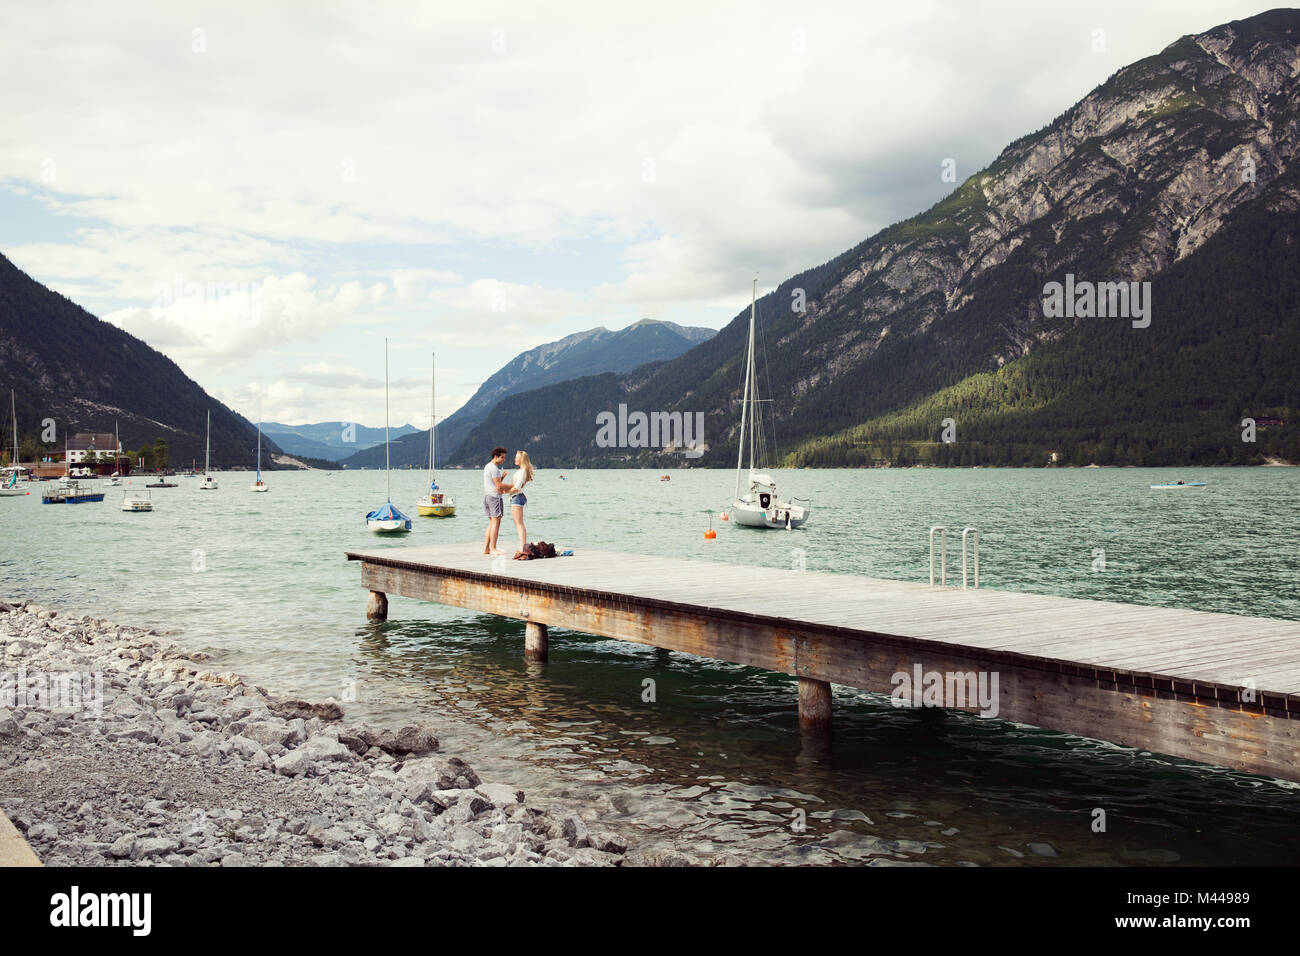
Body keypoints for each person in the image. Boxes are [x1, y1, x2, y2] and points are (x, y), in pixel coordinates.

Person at [482, 446, 511, 555]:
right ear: (496, 456)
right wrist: (515, 485)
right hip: (495, 498)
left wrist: (502, 477)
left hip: (487, 496)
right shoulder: (494, 468)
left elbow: (495, 483)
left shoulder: (487, 466)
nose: (504, 460)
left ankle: (486, 549)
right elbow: (499, 486)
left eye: (504, 458)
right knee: (496, 524)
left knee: (491, 523)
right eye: (502, 457)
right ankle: (493, 548)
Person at [506, 450, 535, 553]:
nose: (514, 459)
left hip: (517, 496)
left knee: (519, 523)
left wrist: (504, 491)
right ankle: (523, 545)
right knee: (518, 522)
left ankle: (523, 546)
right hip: (516, 497)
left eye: (516, 457)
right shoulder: (522, 471)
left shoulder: (522, 471)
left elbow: (517, 487)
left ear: (521, 459)